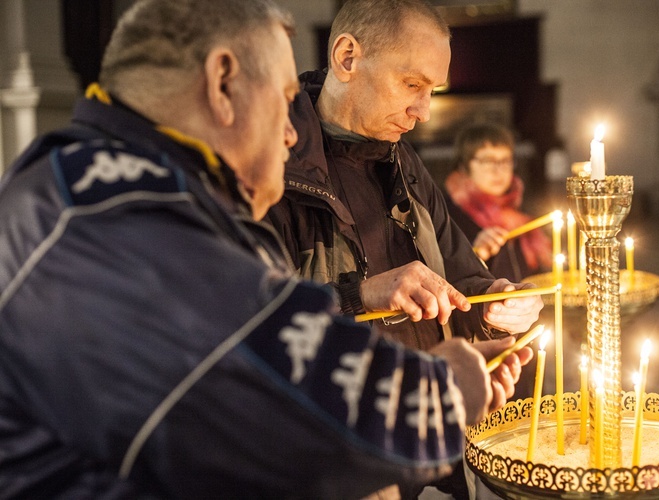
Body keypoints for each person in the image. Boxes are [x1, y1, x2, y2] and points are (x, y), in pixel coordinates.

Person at [0, 1, 533, 498]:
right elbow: (269, 387)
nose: (288, 136)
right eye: (282, 103)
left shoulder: (102, 182)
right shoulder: (112, 211)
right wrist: (441, 392)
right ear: (223, 82)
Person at [264, 1, 543, 497]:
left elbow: (461, 280)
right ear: (347, 57)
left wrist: (494, 307)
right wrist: (363, 294)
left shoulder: (402, 161)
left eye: (432, 91)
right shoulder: (273, 169)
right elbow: (256, 327)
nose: (424, 112)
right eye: (412, 85)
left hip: (430, 441)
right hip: (343, 459)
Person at [444, 122, 552, 282]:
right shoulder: (446, 215)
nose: (498, 170)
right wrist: (475, 254)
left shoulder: (522, 212)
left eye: (505, 160)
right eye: (487, 160)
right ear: (464, 165)